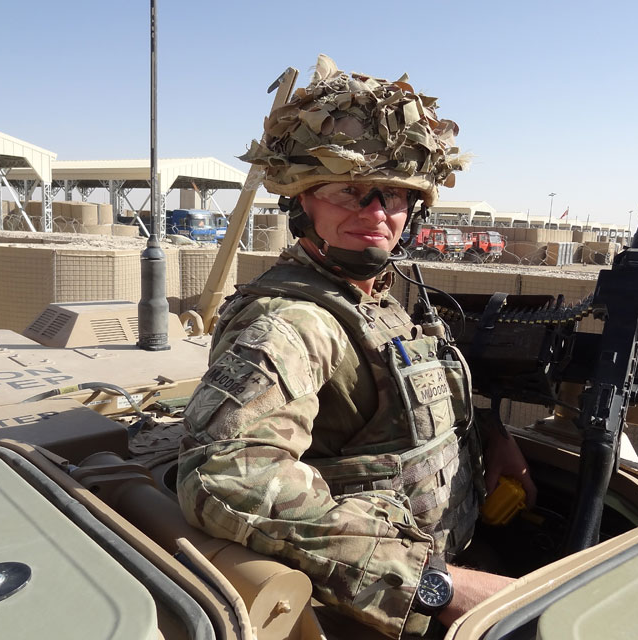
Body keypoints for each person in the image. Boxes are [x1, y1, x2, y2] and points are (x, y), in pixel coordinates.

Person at [177, 55, 536, 638]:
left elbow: (405, 422)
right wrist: (430, 584)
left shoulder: (376, 298)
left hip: (452, 558)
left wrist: (491, 439)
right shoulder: (294, 323)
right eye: (350, 191)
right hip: (388, 605)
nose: (375, 212)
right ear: (302, 202)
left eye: (393, 195)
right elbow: (224, 476)